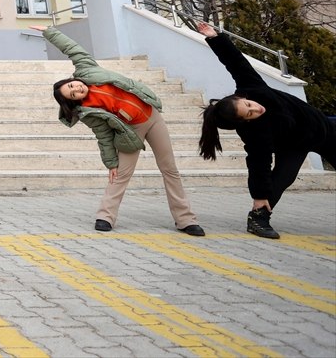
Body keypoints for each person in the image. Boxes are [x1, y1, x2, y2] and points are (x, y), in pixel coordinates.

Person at [35, 24, 204, 236]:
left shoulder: (87, 69)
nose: (77, 90)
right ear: (73, 102)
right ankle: (105, 216)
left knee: (169, 169)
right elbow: (103, 136)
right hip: (131, 132)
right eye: (72, 95)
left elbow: (73, 49)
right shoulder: (87, 111)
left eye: (72, 86)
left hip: (153, 117)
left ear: (74, 80)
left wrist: (49, 32)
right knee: (120, 174)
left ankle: (186, 220)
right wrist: (110, 162)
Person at [196, 21, 335, 239]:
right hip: (294, 146)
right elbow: (258, 163)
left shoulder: (252, 87)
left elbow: (236, 62)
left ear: (243, 97)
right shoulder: (254, 132)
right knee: (281, 179)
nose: (257, 110)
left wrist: (215, 38)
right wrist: (259, 195)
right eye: (249, 114)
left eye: (249, 105)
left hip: (326, 129)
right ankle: (258, 219)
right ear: (245, 122)